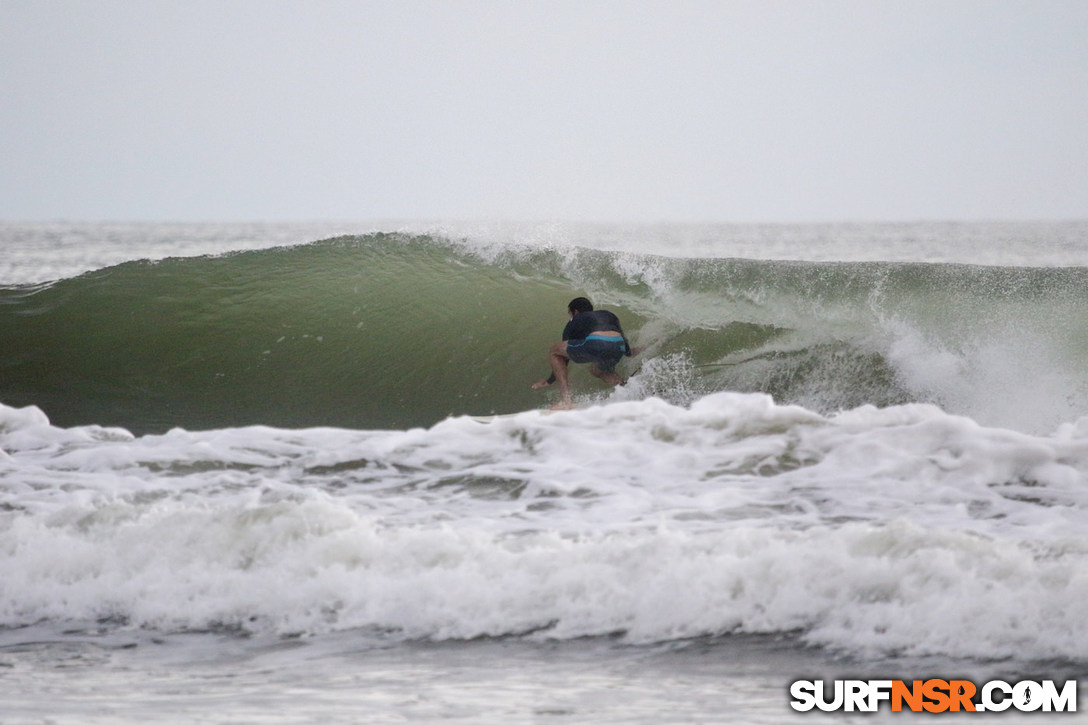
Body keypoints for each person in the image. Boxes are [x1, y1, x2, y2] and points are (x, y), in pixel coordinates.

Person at [530, 297, 640, 409]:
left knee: (554, 350)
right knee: (598, 370)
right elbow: (623, 339)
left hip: (597, 342)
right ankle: (632, 389)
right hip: (618, 344)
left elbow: (563, 357)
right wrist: (629, 352)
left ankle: (565, 401)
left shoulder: (576, 319)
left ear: (575, 311)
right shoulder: (609, 315)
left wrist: (549, 381)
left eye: (570, 313)